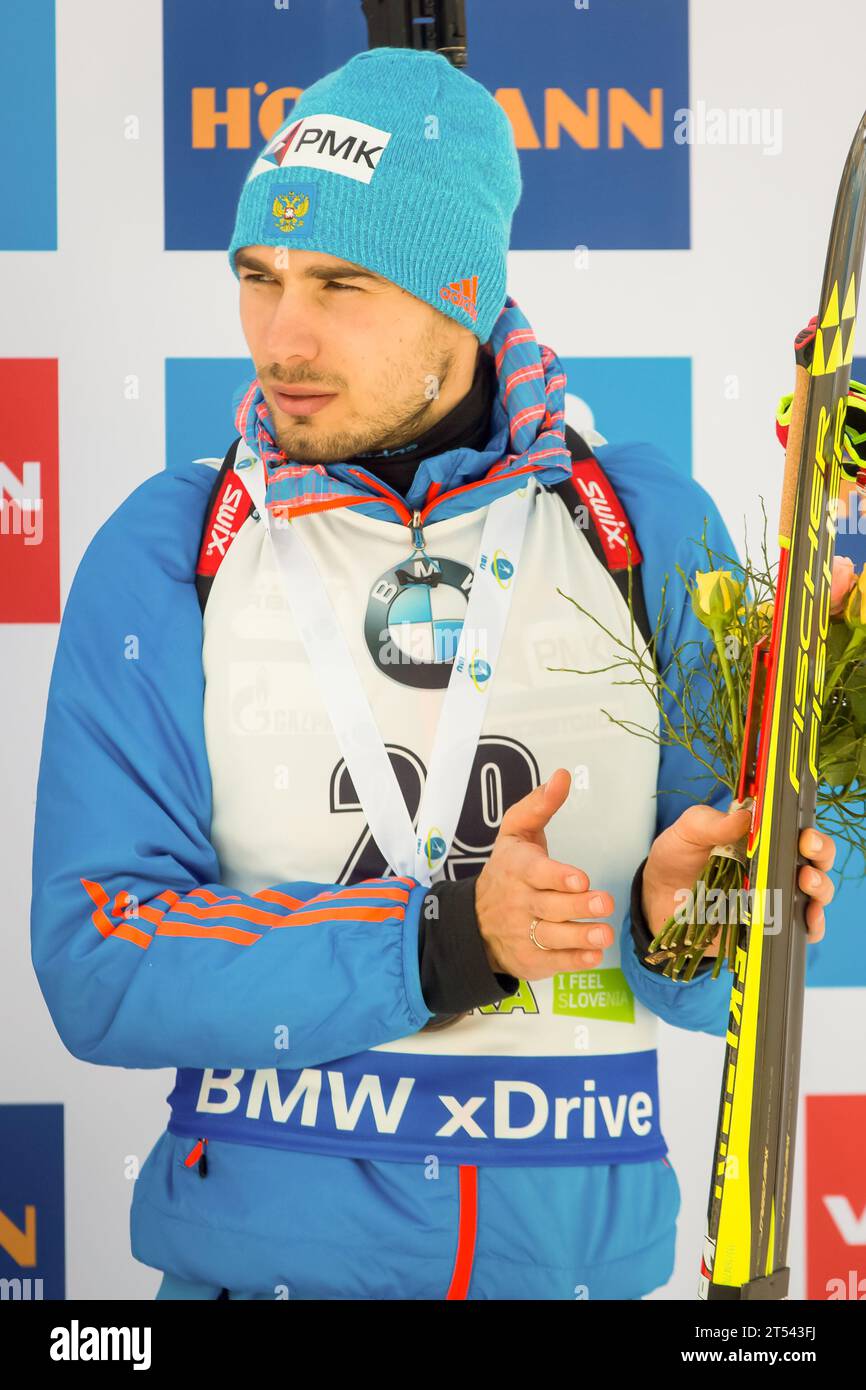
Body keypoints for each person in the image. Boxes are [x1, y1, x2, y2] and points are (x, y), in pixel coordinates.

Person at [30, 47, 835, 1301]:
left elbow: (748, 959)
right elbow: (98, 955)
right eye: (259, 277)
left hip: (576, 1280)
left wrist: (692, 921)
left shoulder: (645, 524)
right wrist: (437, 942)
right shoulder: (167, 551)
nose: (279, 337)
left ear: (462, 295)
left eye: (341, 283)